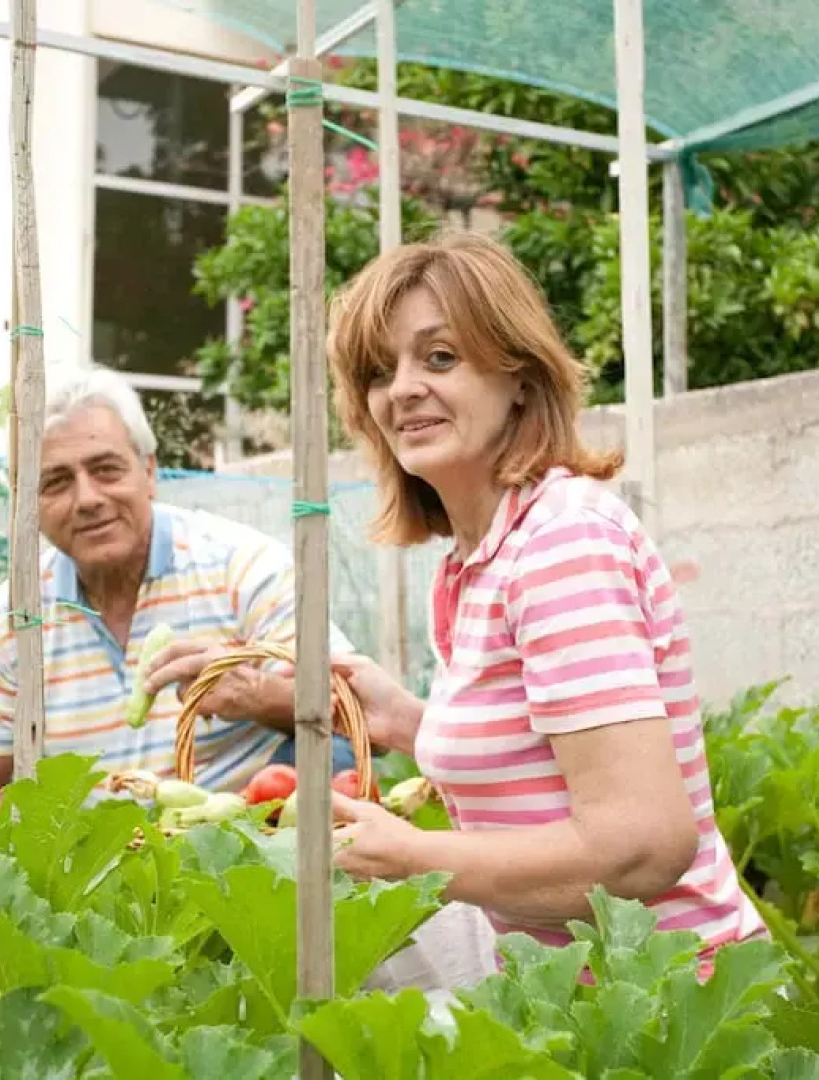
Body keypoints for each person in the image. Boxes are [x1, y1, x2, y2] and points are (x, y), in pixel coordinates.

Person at [321, 230, 766, 971]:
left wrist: (415, 857)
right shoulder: (479, 558)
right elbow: (547, 760)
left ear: (519, 378)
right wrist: (402, 721)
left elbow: (641, 847)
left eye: (439, 357)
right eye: (377, 370)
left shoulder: (560, 544)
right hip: (571, 992)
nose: (400, 389)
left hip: (665, 1007)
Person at [0, 365, 357, 813]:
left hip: (241, 853)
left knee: (330, 757)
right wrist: (71, 847)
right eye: (56, 482)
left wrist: (252, 693)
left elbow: (357, 716)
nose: (88, 499)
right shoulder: (12, 619)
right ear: (28, 504)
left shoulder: (242, 568)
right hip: (87, 871)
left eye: (106, 470)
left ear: (150, 472)